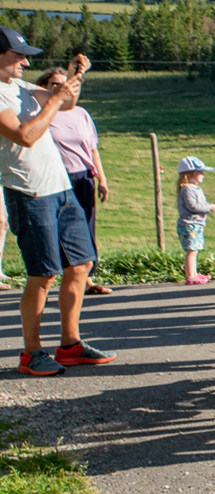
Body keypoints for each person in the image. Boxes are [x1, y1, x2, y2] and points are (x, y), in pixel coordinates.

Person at [0, 29, 111, 377]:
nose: (25, 61)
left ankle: (70, 345)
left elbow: (66, 103)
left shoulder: (19, 86)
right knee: (43, 273)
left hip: (60, 189)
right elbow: (26, 135)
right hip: (29, 193)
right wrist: (55, 99)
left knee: (81, 264)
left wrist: (74, 74)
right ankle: (31, 353)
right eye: (18, 54)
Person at [39, 67, 111, 295]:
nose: (61, 87)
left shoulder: (81, 114)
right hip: (56, 178)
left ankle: (86, 279)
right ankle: (53, 280)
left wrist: (101, 179)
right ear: (43, 88)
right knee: (57, 230)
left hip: (83, 176)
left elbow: (92, 149)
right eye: (55, 84)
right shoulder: (42, 113)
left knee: (86, 226)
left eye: (65, 83)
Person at [175, 156, 215, 285]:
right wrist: (209, 207)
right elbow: (193, 207)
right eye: (199, 172)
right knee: (191, 250)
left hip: (196, 224)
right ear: (188, 174)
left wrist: (211, 204)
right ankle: (190, 276)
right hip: (190, 225)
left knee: (194, 249)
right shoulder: (187, 189)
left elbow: (199, 205)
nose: (202, 175)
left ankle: (194, 274)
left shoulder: (194, 188)